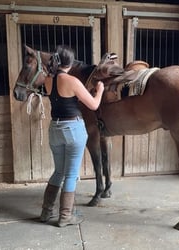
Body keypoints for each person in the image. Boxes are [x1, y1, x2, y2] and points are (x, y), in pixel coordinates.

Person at [40, 45, 104, 227]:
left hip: (55, 129)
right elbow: (93, 105)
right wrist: (99, 90)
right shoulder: (73, 81)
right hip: (73, 129)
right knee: (70, 174)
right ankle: (66, 216)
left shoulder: (48, 80)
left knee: (58, 171)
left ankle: (46, 212)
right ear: (70, 62)